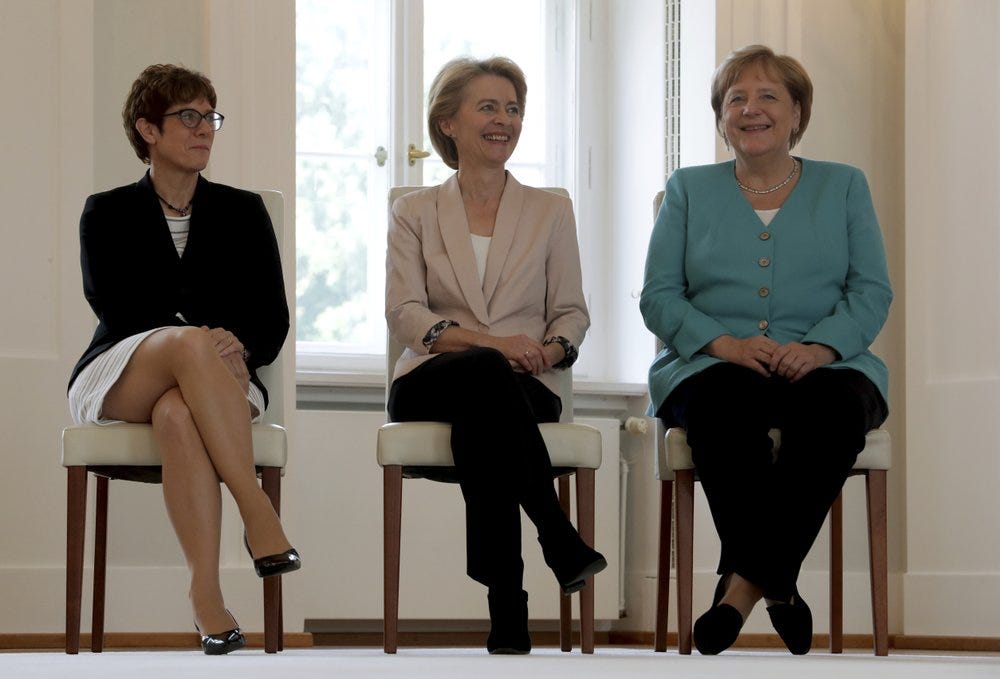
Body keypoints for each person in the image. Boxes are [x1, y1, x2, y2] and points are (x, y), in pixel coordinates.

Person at [640, 45, 891, 656]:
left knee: (832, 412)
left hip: (829, 363)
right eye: (736, 99)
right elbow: (659, 297)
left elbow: (871, 290)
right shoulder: (688, 189)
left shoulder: (845, 185)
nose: (751, 110)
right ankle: (778, 584)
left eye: (768, 96)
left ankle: (742, 590)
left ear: (798, 111)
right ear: (721, 116)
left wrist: (823, 347)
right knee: (723, 407)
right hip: (712, 362)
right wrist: (722, 343)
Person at [67, 64, 299, 655]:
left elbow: (272, 317)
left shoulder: (245, 213)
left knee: (178, 414)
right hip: (121, 370)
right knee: (190, 347)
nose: (205, 129)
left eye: (211, 116)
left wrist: (237, 345)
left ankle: (206, 599)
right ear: (147, 128)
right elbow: (116, 306)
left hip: (223, 374)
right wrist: (202, 337)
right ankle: (257, 510)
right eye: (187, 116)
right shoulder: (106, 211)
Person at [385, 56, 607, 655]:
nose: (503, 120)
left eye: (512, 109)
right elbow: (406, 314)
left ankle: (507, 604)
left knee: (487, 417)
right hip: (430, 379)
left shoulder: (550, 210)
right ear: (448, 122)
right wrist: (492, 344)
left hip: (524, 384)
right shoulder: (414, 211)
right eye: (487, 106)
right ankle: (558, 538)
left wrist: (554, 348)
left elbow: (571, 311)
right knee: (484, 374)